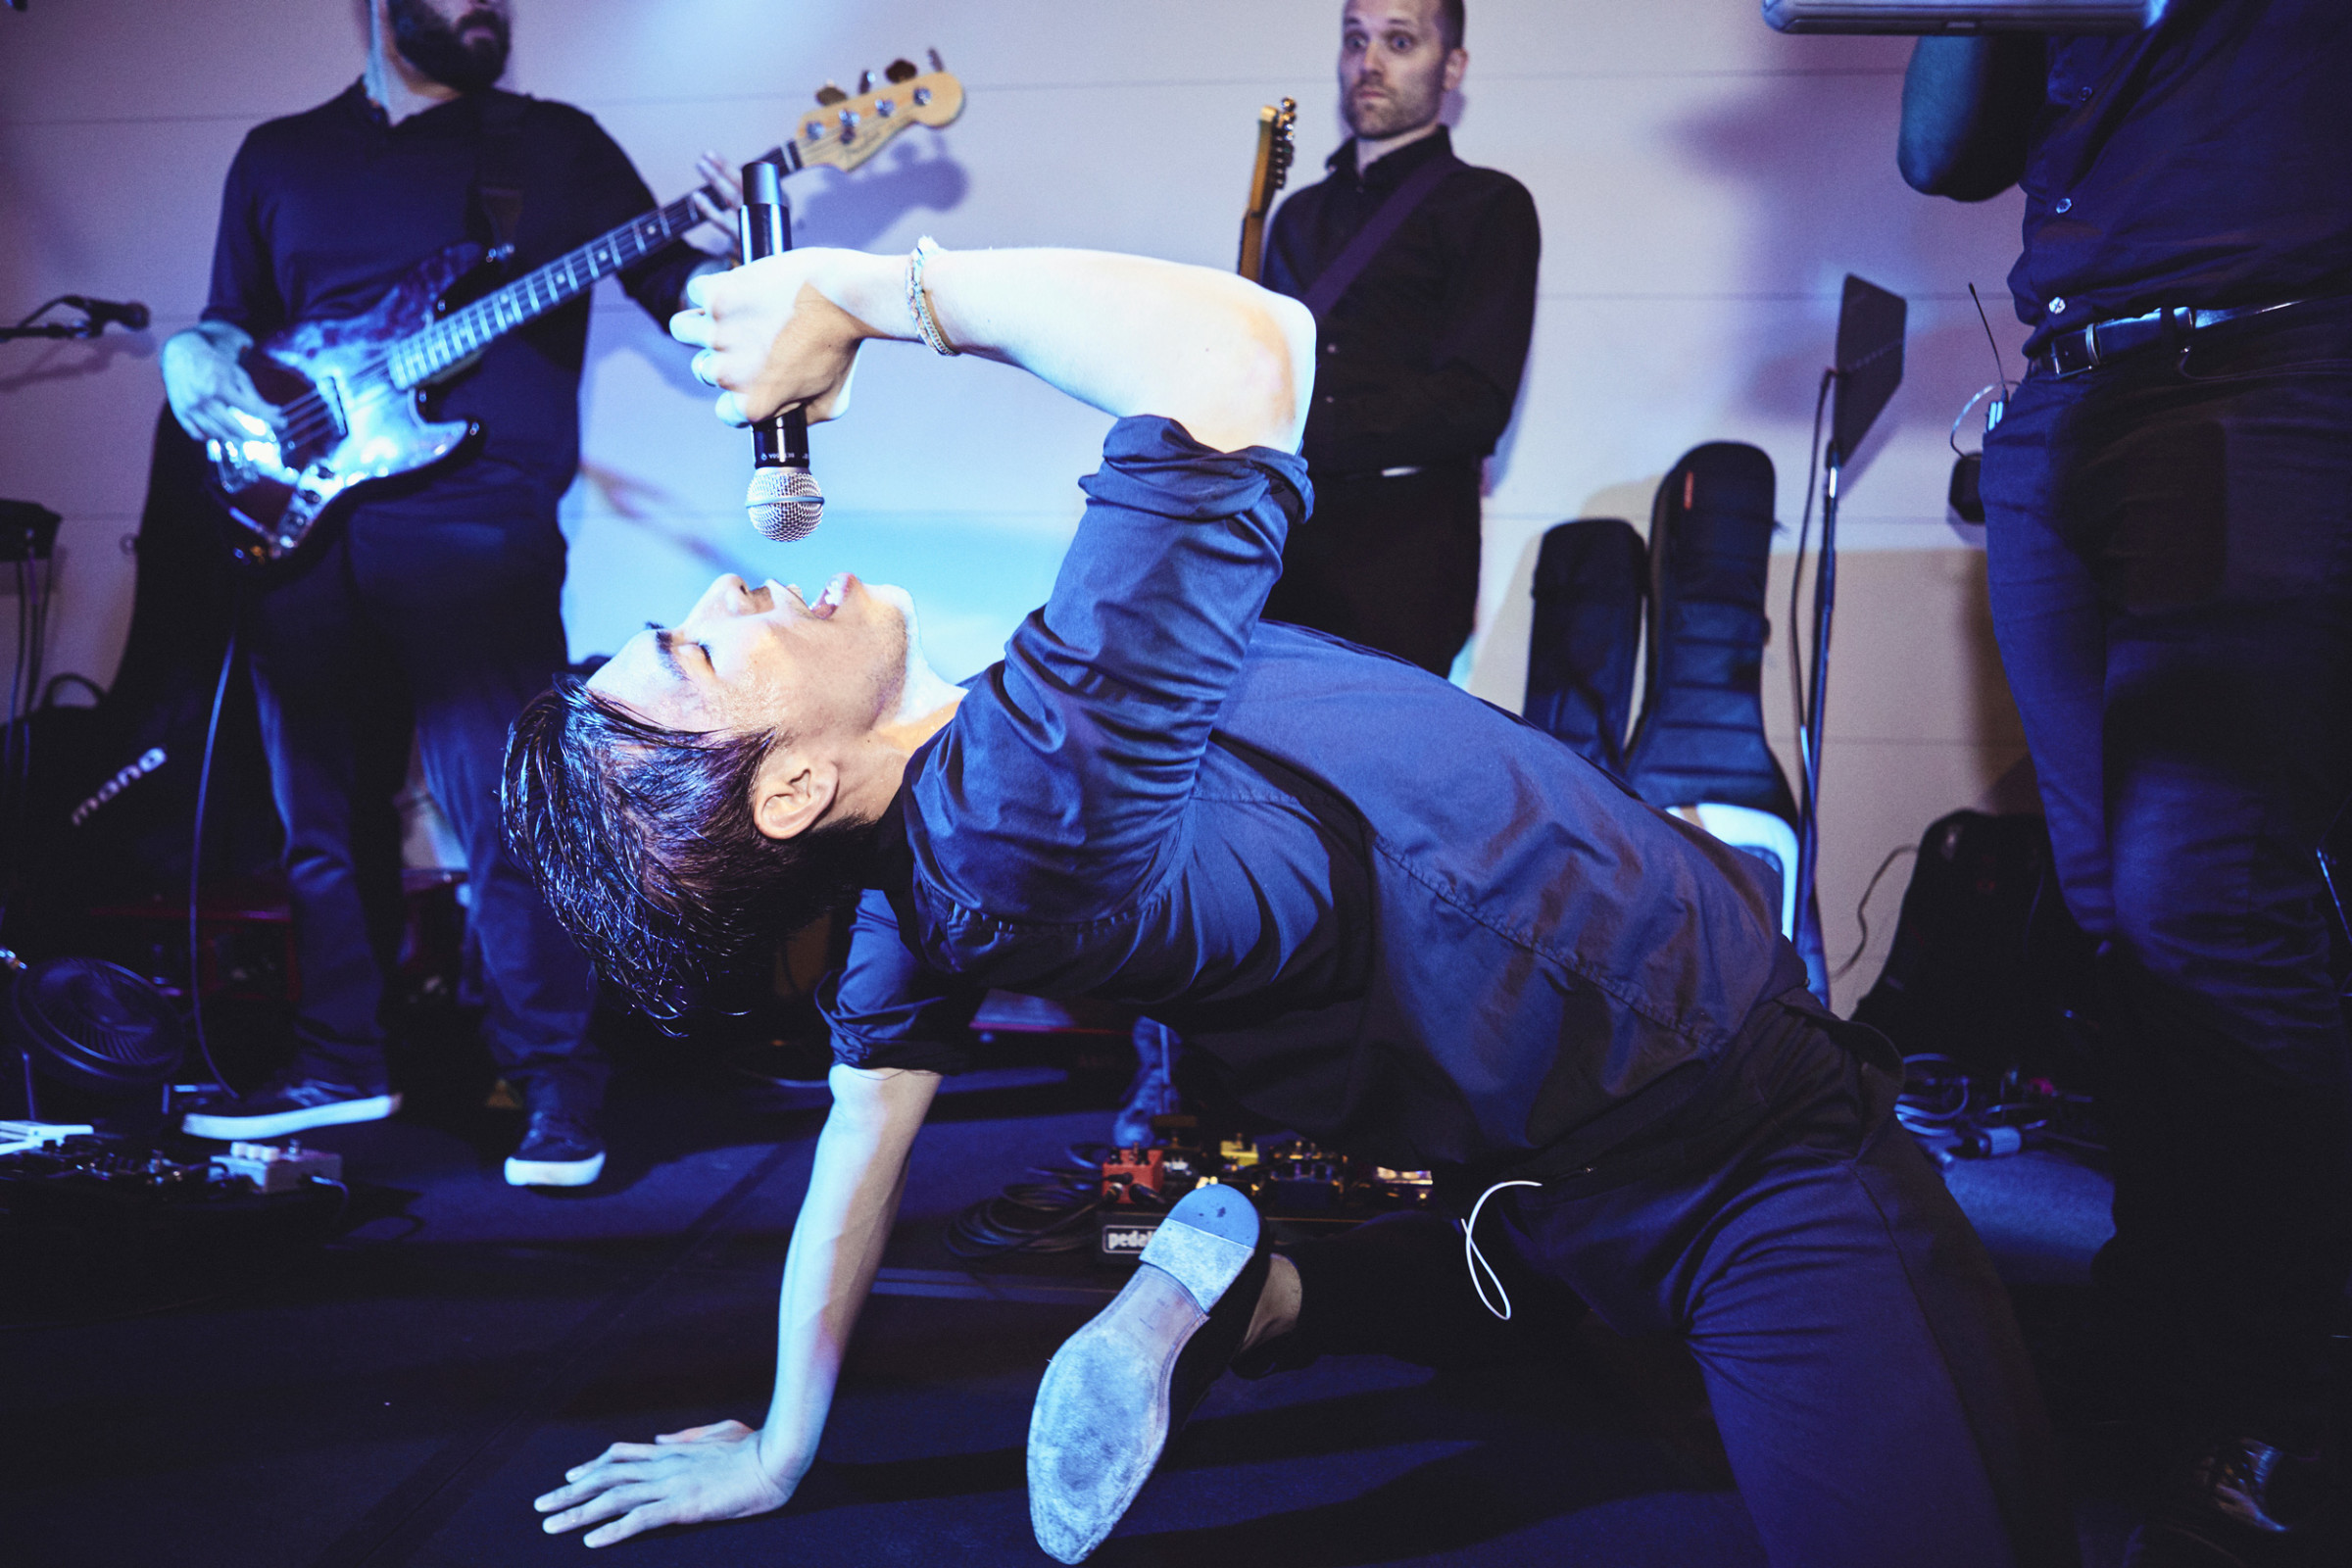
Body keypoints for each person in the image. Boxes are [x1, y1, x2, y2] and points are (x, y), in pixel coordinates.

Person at [502, 241, 2076, 1566]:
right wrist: (866, 290)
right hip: (1735, 1152)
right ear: (785, 793)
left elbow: (864, 1121)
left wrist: (783, 1447)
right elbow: (1252, 345)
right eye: (702, 653)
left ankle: (1248, 1262)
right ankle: (1245, 1247)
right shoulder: (1023, 807)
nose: (730, 591)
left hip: (1498, 1144)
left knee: (1464, 1272)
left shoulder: (932, 849)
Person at [1897, 6, 2352, 1563]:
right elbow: (1941, 152)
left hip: (2269, 364)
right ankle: (2170, 1338)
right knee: (2110, 915)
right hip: (2067, 395)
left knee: (2202, 901)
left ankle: (2293, 1388)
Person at [160, 0, 739, 1185]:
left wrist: (749, 268)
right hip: (304, 523)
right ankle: (338, 1059)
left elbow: (674, 284)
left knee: (510, 814)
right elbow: (233, 321)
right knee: (319, 823)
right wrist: (193, 350)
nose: (486, 8)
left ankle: (557, 1088)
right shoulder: (280, 154)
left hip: (477, 527)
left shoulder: (553, 147)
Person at [1257, 0, 1539, 677]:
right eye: (1355, 41)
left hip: (1403, 561)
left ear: (1453, 66)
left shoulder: (1489, 206)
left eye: (1400, 41)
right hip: (1279, 549)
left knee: (1375, 772)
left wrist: (1315, 432)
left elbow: (1474, 403)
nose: (1369, 63)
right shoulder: (1296, 215)